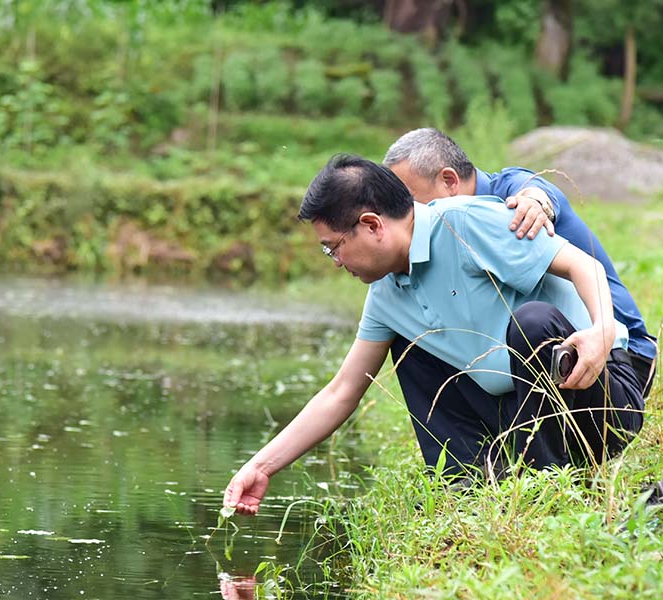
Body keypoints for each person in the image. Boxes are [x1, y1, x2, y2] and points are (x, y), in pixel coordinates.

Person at [223, 155, 644, 516]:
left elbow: (584, 265)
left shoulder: (465, 222)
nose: (334, 260)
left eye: (333, 247)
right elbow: (342, 391)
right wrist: (261, 466)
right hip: (517, 414)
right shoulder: (386, 293)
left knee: (533, 321)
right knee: (408, 343)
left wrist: (601, 332)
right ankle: (470, 486)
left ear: (371, 225)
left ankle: (550, 489)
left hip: (598, 402)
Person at [384, 128, 656, 398]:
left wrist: (535, 204)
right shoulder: (442, 240)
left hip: (617, 356)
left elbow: (534, 193)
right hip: (547, 362)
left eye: (408, 201)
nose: (401, 214)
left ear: (449, 181)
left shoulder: (509, 195)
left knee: (532, 321)